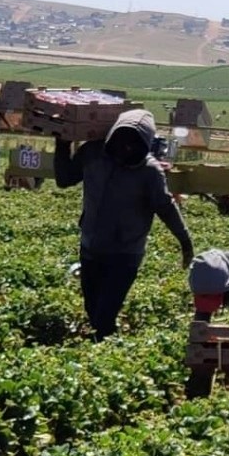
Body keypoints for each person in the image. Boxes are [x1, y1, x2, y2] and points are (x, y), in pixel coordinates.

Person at [54, 109, 194, 341]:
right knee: (93, 309)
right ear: (112, 137)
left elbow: (165, 207)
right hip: (91, 246)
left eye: (133, 144)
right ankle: (104, 343)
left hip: (125, 253)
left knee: (103, 315)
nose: (126, 149)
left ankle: (103, 351)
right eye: (122, 141)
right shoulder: (93, 153)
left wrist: (185, 242)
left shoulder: (149, 171)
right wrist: (62, 144)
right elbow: (64, 179)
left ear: (145, 144)